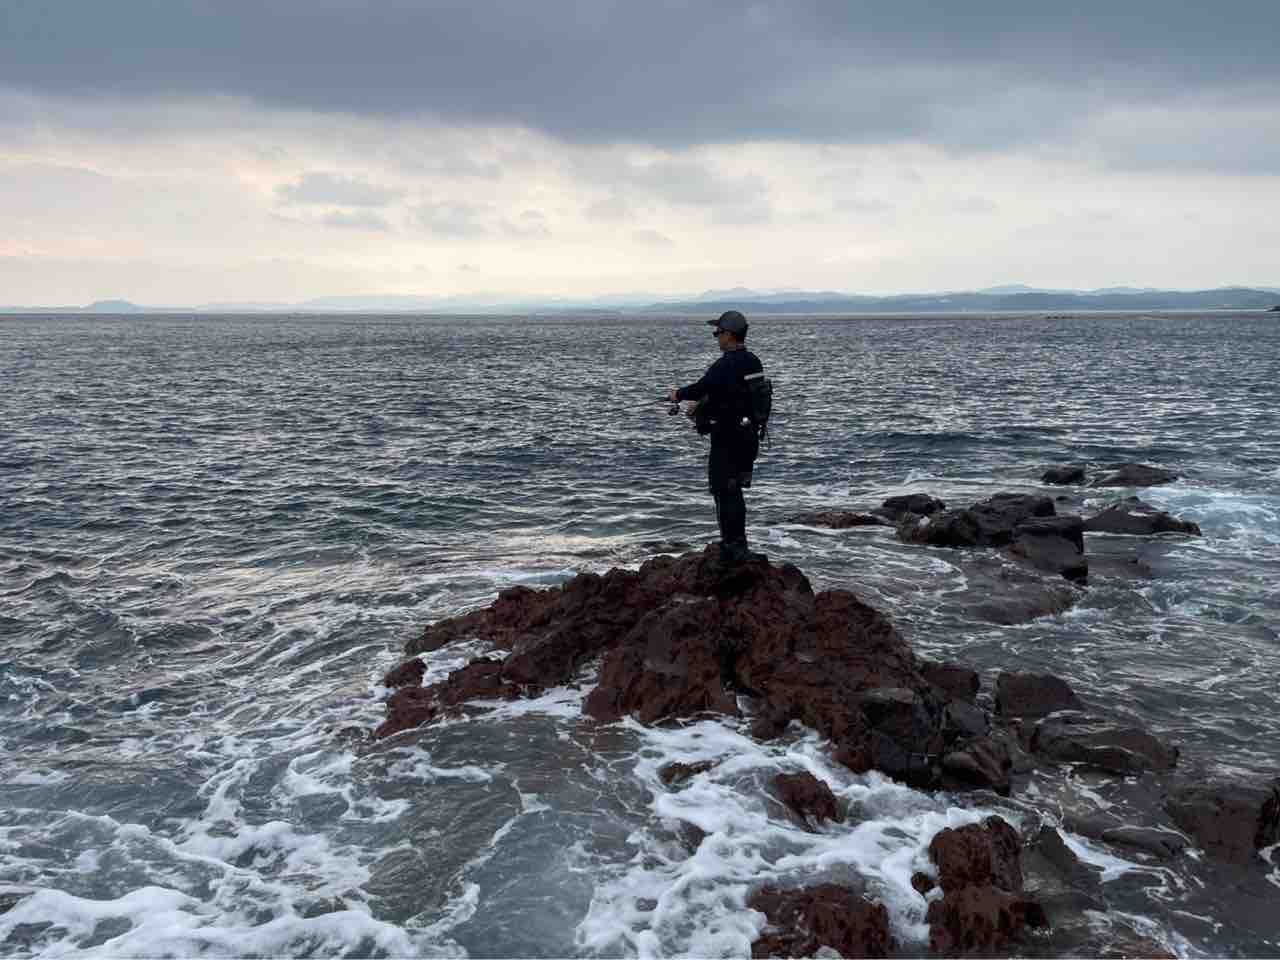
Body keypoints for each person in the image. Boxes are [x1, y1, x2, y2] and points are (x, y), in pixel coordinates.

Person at [668, 310, 765, 563]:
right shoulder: (753, 361)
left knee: (724, 490)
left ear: (730, 334)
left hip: (728, 438)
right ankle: (736, 543)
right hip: (748, 437)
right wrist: (703, 405)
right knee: (734, 490)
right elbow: (730, 394)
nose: (716, 337)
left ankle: (732, 547)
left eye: (718, 332)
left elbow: (702, 387)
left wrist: (678, 394)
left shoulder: (726, 364)